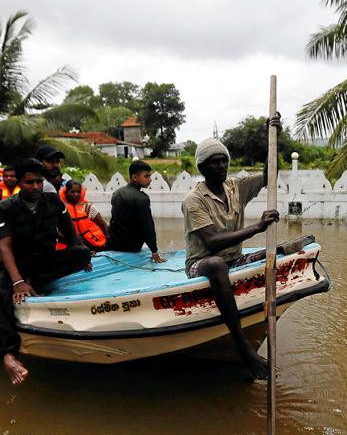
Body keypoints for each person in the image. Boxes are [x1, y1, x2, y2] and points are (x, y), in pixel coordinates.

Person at [181, 132, 313, 380]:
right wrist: (257, 227)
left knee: (276, 251)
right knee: (218, 264)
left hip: (234, 259)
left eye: (223, 160)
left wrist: (271, 136)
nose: (221, 166)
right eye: (214, 162)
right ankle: (242, 345)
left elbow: (268, 175)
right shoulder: (194, 200)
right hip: (203, 263)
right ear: (202, 167)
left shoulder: (235, 187)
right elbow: (211, 241)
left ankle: (286, 256)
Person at [0, 158, 92, 385]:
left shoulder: (54, 201)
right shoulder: (6, 208)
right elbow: (4, 246)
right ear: (19, 183)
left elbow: (70, 234)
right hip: (17, 263)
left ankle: (33, 281)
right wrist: (17, 281)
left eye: (38, 181)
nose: (34, 187)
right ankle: (8, 355)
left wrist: (81, 253)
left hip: (44, 261)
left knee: (83, 254)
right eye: (29, 182)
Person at [105, 160, 166, 263]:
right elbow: (147, 226)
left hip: (114, 244)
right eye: (146, 176)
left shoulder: (117, 193)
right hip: (132, 247)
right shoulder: (142, 198)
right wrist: (154, 251)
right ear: (134, 177)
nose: (150, 180)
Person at [58, 179, 107, 252]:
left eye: (78, 192)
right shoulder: (61, 209)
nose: (76, 194)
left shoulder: (87, 207)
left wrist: (108, 239)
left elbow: (103, 224)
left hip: (91, 241)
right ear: (66, 193)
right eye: (73, 192)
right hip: (71, 243)